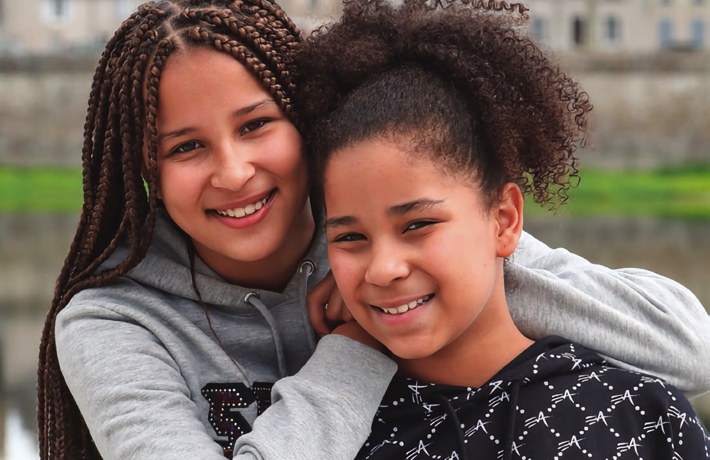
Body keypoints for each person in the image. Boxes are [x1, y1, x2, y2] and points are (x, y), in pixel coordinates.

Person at [37, 0, 709, 459]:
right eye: (186, 148)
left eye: (255, 125)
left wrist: (451, 271)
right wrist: (359, 346)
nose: (234, 171)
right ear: (142, 169)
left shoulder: (378, 238)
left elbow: (689, 350)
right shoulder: (112, 323)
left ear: (305, 122)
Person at [295, 0, 710, 458]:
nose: (384, 269)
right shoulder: (327, 432)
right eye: (350, 237)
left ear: (506, 218)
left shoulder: (639, 413)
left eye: (418, 224)